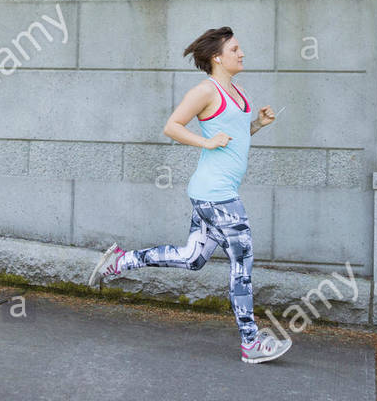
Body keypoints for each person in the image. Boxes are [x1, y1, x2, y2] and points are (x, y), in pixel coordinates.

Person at [87, 26, 291, 363]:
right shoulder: (204, 91)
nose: (242, 54)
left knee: (193, 258)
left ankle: (121, 261)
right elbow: (172, 126)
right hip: (217, 195)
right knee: (243, 262)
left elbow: (235, 135)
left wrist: (257, 125)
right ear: (217, 57)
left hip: (211, 193)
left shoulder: (239, 93)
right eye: (235, 49)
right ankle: (251, 342)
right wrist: (206, 142)